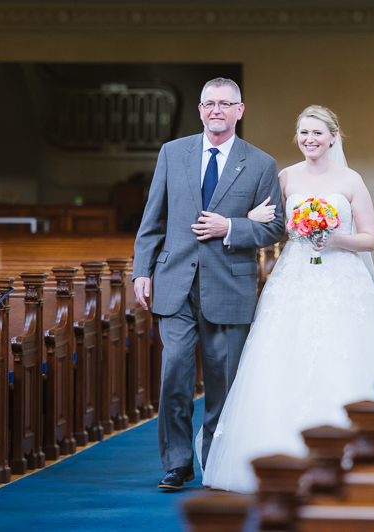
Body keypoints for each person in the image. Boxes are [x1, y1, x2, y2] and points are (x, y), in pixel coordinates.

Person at [200, 105, 374, 493]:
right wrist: (254, 217)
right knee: (281, 356)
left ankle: (350, 454)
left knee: (342, 355)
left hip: (341, 278)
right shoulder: (284, 176)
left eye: (317, 133)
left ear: (333, 137)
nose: (310, 139)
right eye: (303, 133)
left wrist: (336, 239)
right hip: (293, 276)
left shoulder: (351, 180)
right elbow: (273, 226)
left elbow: (370, 238)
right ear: (297, 138)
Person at [132, 78, 285, 490]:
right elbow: (153, 218)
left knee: (223, 380)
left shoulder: (260, 163)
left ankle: (215, 462)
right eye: (209, 103)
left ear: (240, 110)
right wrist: (141, 270)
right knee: (174, 374)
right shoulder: (172, 152)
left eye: (225, 103)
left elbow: (275, 227)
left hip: (229, 284)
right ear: (200, 110)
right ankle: (177, 463)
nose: (216, 109)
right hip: (174, 280)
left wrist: (230, 226)